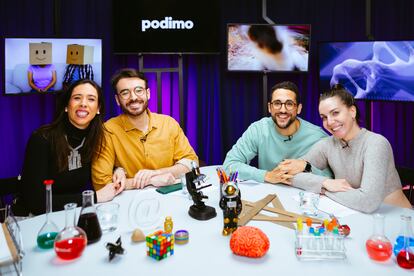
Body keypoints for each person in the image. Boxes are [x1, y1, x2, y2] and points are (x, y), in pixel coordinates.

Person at [285, 84, 411, 213]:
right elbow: (289, 173)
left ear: (352, 112)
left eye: (335, 113)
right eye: (324, 117)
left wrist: (323, 189)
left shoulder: (376, 143)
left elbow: (368, 202)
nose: (329, 122)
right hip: (358, 216)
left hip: (398, 219)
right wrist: (325, 182)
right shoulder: (326, 145)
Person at [19, 79, 124, 215]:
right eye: (77, 98)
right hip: (35, 220)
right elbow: (36, 202)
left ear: (98, 109)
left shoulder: (96, 138)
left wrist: (118, 169)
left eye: (91, 99)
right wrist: (94, 197)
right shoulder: (42, 139)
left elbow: (103, 163)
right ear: (67, 106)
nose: (83, 104)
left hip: (72, 215)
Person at [92, 68, 198, 191]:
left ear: (148, 93)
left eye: (139, 90)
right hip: (129, 201)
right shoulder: (108, 130)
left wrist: (157, 173)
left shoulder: (169, 123)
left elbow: (191, 162)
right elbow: (101, 184)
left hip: (169, 197)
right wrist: (150, 181)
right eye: (125, 93)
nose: (133, 97)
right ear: (117, 100)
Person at [223, 81, 330, 184]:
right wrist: (266, 176)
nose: (283, 110)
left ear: (298, 108)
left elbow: (331, 178)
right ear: (270, 107)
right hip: (268, 193)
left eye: (289, 104)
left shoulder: (318, 137)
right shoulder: (259, 129)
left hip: (303, 196)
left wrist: (306, 167)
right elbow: (230, 164)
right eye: (277, 103)